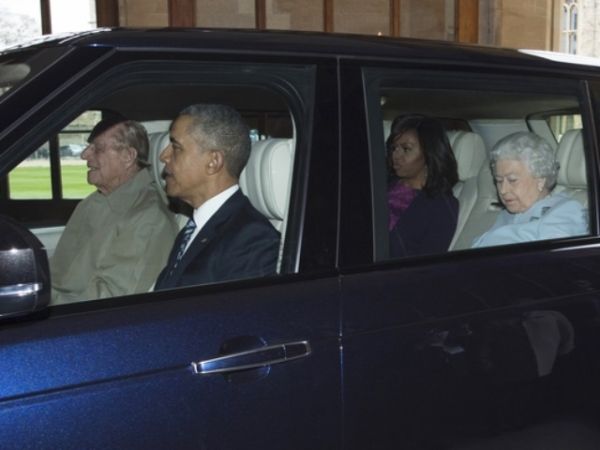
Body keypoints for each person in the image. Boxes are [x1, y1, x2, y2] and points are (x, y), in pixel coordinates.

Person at [50, 117, 179, 304]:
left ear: (128, 156)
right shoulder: (93, 202)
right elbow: (61, 273)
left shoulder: (148, 219)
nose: (84, 155)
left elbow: (108, 303)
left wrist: (41, 302)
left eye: (98, 149)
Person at [153, 104, 280, 290]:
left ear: (213, 162)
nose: (164, 156)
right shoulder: (192, 229)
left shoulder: (252, 239)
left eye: (176, 147)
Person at [472, 131, 588, 247]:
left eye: (512, 180)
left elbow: (554, 256)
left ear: (540, 180)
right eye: (499, 180)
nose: (503, 190)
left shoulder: (565, 211)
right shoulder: (507, 214)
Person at [386, 114, 459, 257]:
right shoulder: (380, 183)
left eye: (406, 149)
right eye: (394, 148)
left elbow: (427, 264)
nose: (396, 155)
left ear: (428, 153)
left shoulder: (441, 206)